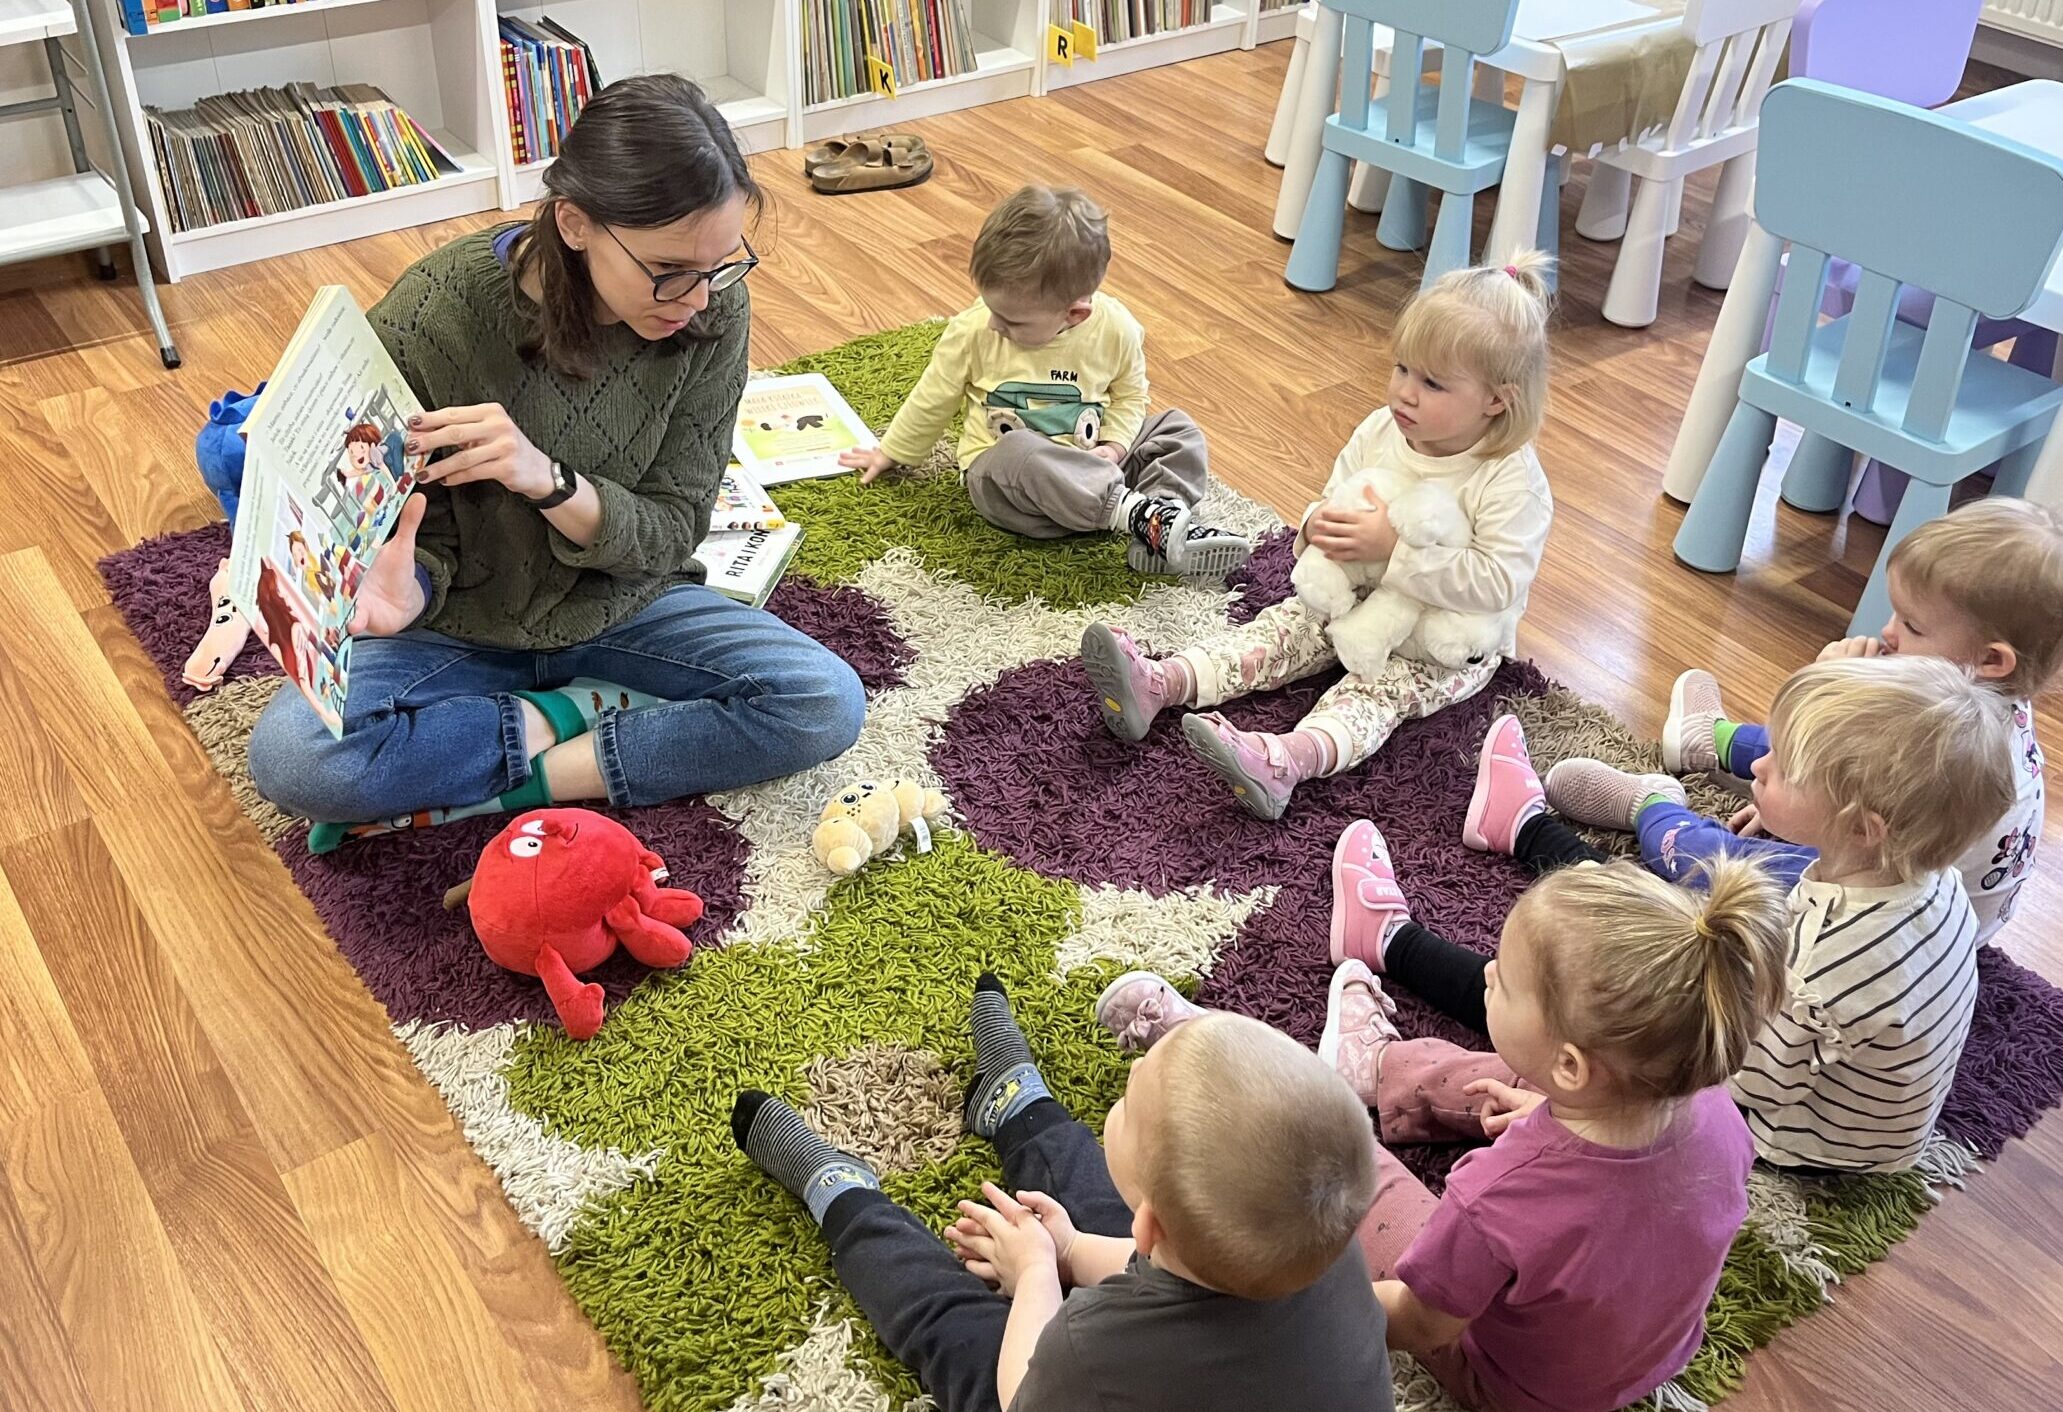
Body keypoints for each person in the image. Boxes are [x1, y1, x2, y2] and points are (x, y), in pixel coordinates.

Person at [248, 75, 863, 824]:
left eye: (721, 264)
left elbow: (673, 528)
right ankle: (566, 720)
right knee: (293, 759)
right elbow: (400, 539)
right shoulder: (432, 318)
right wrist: (409, 592)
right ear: (575, 224)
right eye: (670, 272)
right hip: (461, 626)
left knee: (822, 702)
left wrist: (549, 480)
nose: (699, 299)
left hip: (626, 603)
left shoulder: (710, 304)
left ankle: (538, 768)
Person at [1098, 849, 1784, 1412]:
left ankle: (1218, 1069)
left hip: (1513, 1388)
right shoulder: (1712, 1107)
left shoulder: (1499, 1197)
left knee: (1336, 1160)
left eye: (1504, 981)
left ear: (1572, 1065)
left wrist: (1292, 1309)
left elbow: (1421, 1322)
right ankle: (1374, 1064)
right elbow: (1626, 1210)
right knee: (1511, 1081)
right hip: (1644, 1358)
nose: (1484, 971)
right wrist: (1545, 1120)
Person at [1445, 655, 2017, 1172]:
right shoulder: (1925, 876)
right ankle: (1537, 829)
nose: (1759, 767)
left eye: (1784, 767)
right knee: (1670, 916)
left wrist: (1566, 1116)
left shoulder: (1819, 972)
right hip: (1822, 1067)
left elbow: (1723, 1076)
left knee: (1594, 992)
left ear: (1862, 828)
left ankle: (1474, 881)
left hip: (1793, 1135)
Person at [731, 977, 1394, 1412]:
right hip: (1202, 1322)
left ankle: (845, 1201)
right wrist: (1073, 1247)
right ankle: (1013, 1103)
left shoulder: (1091, 1346)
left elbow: (1023, 1390)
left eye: (1130, 1104)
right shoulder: (1321, 1247)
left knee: (961, 1339)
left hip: (1055, 1383)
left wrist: (1039, 1273)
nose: (1129, 1075)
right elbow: (1159, 1259)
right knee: (1106, 1216)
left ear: (1154, 1231)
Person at [1076, 256, 1557, 820]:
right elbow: (1332, 499)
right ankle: (1161, 681)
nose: (1404, 392)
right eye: (1401, 368)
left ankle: (1285, 761)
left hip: (1444, 642)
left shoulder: (1509, 478)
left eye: (1432, 382)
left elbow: (1498, 582)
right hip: (1357, 597)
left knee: (1378, 693)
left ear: (1496, 400)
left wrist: (1394, 552)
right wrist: (1313, 528)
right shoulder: (1381, 429)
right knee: (1284, 628)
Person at [1530, 497, 2063, 942]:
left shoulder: (1934, 738)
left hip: (1876, 906)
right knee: (1802, 760)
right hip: (1898, 856)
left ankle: (1652, 807)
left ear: (1990, 659)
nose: (1888, 632)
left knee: (1726, 874)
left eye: (1913, 625)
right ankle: (1710, 742)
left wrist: (1826, 679)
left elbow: (1834, 805)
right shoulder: (1990, 704)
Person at [836, 184, 1251, 576]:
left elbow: (1128, 396)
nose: (995, 324)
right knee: (1017, 449)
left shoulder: (1117, 329)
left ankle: (1161, 522)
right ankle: (1132, 514)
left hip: (1094, 463)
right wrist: (893, 452)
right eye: (989, 307)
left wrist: (1116, 444)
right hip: (1016, 490)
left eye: (1012, 320)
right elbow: (934, 397)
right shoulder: (973, 331)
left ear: (1074, 314)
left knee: (1178, 428)